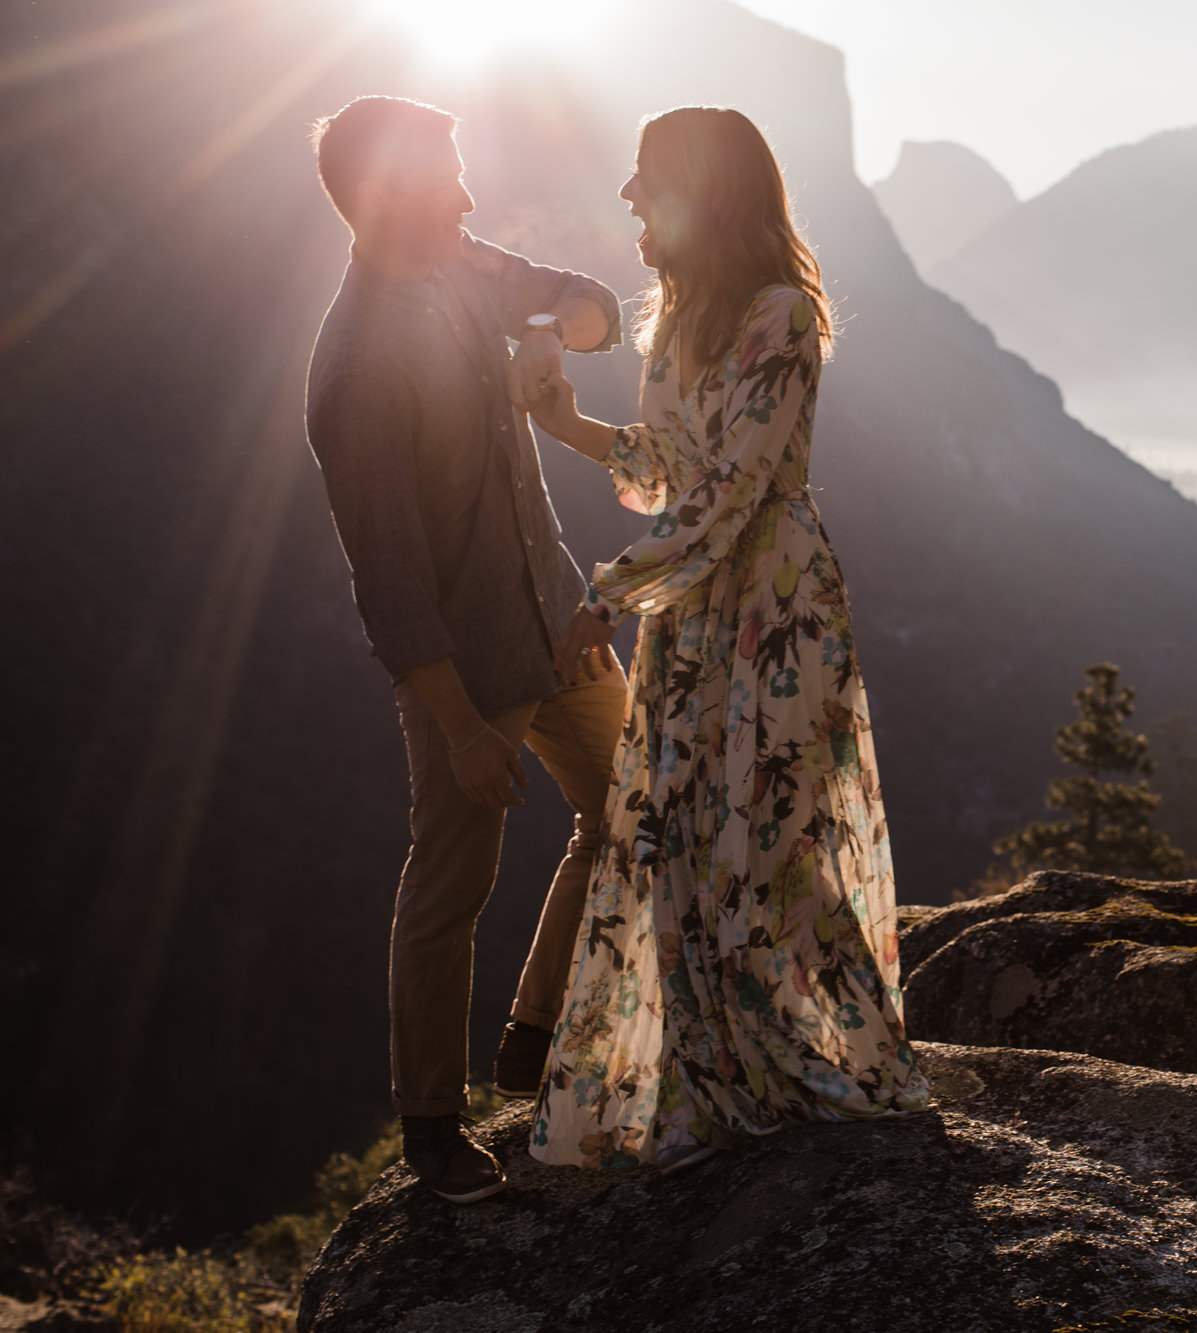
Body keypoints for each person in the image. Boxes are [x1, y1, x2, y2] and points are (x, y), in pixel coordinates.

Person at [524, 107, 930, 1172]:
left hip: (771, 607)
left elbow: (734, 487)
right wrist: (567, 422)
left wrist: (604, 594)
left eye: (645, 176)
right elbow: (667, 462)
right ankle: (708, 1066)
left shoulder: (780, 315)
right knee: (684, 835)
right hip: (696, 607)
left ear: (702, 193)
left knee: (768, 838)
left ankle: (792, 1061)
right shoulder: (678, 314)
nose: (624, 195)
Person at [304, 96, 627, 1203]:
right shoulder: (354, 369)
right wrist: (454, 729)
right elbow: (389, 582)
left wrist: (550, 335)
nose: (467, 194)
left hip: (560, 617)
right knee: (450, 887)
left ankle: (534, 1032)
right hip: (468, 672)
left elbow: (592, 308)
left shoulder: (460, 265)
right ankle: (432, 1125)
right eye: (446, 177)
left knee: (636, 809)